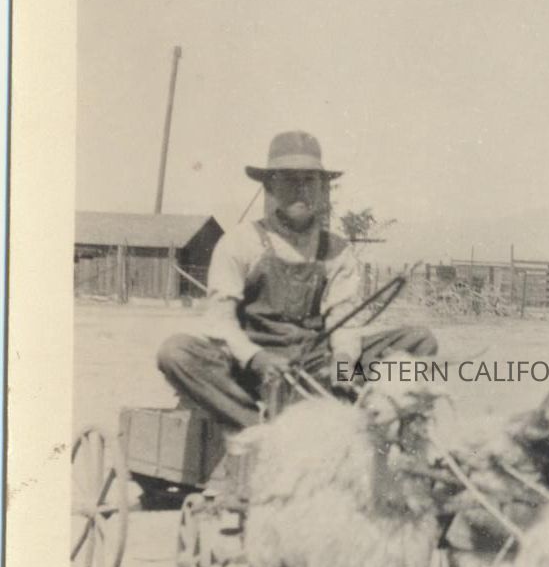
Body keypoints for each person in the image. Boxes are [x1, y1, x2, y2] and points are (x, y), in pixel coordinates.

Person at [157, 131, 436, 428]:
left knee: (419, 341)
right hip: (249, 367)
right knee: (175, 352)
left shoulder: (337, 250)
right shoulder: (240, 242)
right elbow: (220, 322)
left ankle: (353, 412)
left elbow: (344, 321)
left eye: (309, 180)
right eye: (289, 179)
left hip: (314, 363)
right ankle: (257, 425)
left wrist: (343, 362)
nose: (301, 189)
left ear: (322, 188)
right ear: (270, 185)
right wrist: (257, 358)